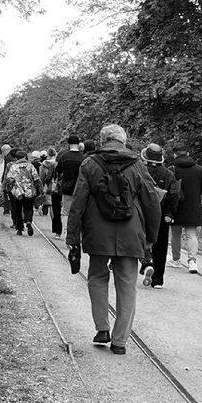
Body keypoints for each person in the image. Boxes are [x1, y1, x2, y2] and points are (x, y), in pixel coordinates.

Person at [65, 124, 162, 356]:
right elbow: (151, 202)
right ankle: (120, 341)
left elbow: (78, 202)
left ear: (102, 140)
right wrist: (151, 236)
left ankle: (102, 328)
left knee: (97, 278)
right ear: (124, 141)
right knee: (127, 285)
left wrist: (73, 236)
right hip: (130, 233)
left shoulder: (89, 164)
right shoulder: (138, 165)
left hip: (98, 233)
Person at [138, 144, 180, 289]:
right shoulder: (168, 174)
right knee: (161, 245)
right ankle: (158, 280)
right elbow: (174, 194)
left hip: (142, 212)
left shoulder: (140, 171)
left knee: (141, 238)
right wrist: (170, 213)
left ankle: (146, 262)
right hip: (161, 214)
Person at [168, 145, 202, 273]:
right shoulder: (199, 169)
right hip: (193, 205)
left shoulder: (171, 169)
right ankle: (192, 261)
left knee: (175, 234)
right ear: (187, 153)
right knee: (191, 234)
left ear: (175, 155)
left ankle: (176, 259)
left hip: (176, 205)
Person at [52, 135, 84, 239]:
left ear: (69, 144)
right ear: (78, 144)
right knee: (78, 211)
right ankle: (76, 233)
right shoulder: (83, 158)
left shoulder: (64, 157)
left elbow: (58, 170)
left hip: (67, 187)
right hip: (80, 188)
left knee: (66, 211)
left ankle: (66, 230)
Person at [6, 148, 41, 236]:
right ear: (25, 157)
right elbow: (36, 178)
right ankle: (28, 221)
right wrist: (40, 188)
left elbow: (9, 179)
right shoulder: (30, 166)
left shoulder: (13, 167)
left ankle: (19, 228)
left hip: (18, 192)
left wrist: (12, 184)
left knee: (18, 209)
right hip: (29, 190)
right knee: (28, 208)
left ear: (16, 158)